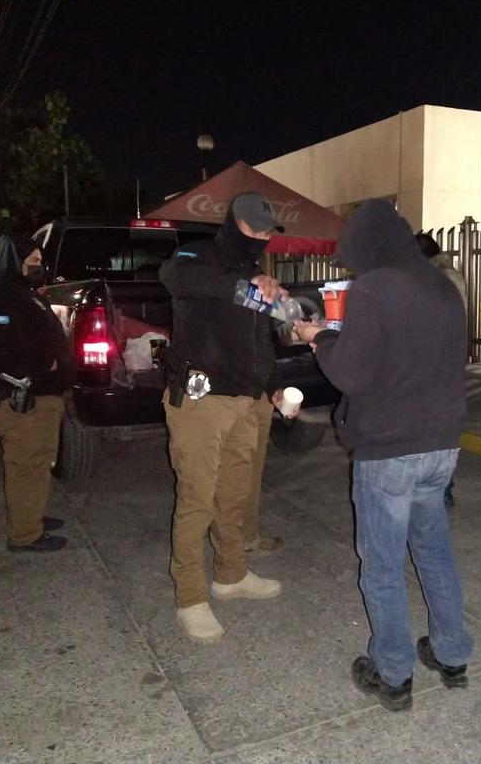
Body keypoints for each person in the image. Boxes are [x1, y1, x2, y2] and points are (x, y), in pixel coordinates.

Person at [295, 201, 472, 712]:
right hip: (441, 445)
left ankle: (393, 673)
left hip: (391, 450)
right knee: (434, 552)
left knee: (382, 565)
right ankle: (452, 653)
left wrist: (319, 339)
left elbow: (350, 373)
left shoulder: (373, 287)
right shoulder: (442, 285)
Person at [159, 191, 292, 644]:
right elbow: (174, 275)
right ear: (234, 223)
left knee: (234, 495)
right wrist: (249, 285)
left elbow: (260, 341)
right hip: (202, 399)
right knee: (197, 500)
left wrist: (274, 385)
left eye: (267, 232)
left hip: (245, 401)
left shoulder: (256, 274)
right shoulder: (197, 256)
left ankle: (231, 575)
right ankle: (190, 598)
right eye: (254, 229)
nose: (261, 238)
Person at [0, 233, 74, 552]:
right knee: (26, 464)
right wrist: (46, 365)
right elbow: (3, 345)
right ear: (14, 260)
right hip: (22, 398)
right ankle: (24, 534)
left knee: (38, 461)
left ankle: (31, 516)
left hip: (38, 395)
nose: (39, 266)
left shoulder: (19, 291)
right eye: (33, 261)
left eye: (40, 261)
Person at [415, 231, 466, 506]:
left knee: (436, 431)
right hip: (443, 364)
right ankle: (440, 490)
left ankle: (441, 490)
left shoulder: (439, 279)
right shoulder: (446, 276)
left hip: (436, 364)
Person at [242, 395, 284, 553]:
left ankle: (248, 535)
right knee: (231, 469)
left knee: (254, 468)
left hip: (261, 392)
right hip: (229, 394)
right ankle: (235, 540)